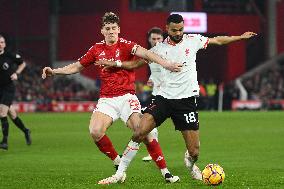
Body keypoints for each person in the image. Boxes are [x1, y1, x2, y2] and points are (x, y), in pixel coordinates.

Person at [97, 14, 257, 184]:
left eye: (181, 29)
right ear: (167, 29)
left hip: (186, 102)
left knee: (195, 151)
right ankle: (119, 173)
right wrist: (115, 64)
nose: (178, 32)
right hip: (163, 100)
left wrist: (240, 37)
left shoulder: (193, 40)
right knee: (139, 132)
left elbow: (217, 40)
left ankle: (190, 162)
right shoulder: (158, 49)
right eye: (174, 30)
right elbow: (135, 64)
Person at [42, 12, 181, 183]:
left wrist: (166, 63)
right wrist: (54, 71)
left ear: (119, 29)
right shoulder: (96, 49)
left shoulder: (127, 45)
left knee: (143, 131)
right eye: (107, 29)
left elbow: (147, 54)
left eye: (114, 28)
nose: (111, 31)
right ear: (102, 31)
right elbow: (77, 66)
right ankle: (118, 162)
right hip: (107, 99)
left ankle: (166, 173)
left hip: (126, 97)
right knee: (95, 131)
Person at [0, 34, 32, 150]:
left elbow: (22, 63)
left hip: (8, 88)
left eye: (2, 42)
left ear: (5, 44)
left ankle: (4, 142)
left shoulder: (9, 55)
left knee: (2, 113)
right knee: (12, 114)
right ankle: (26, 131)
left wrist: (16, 73)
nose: (0, 44)